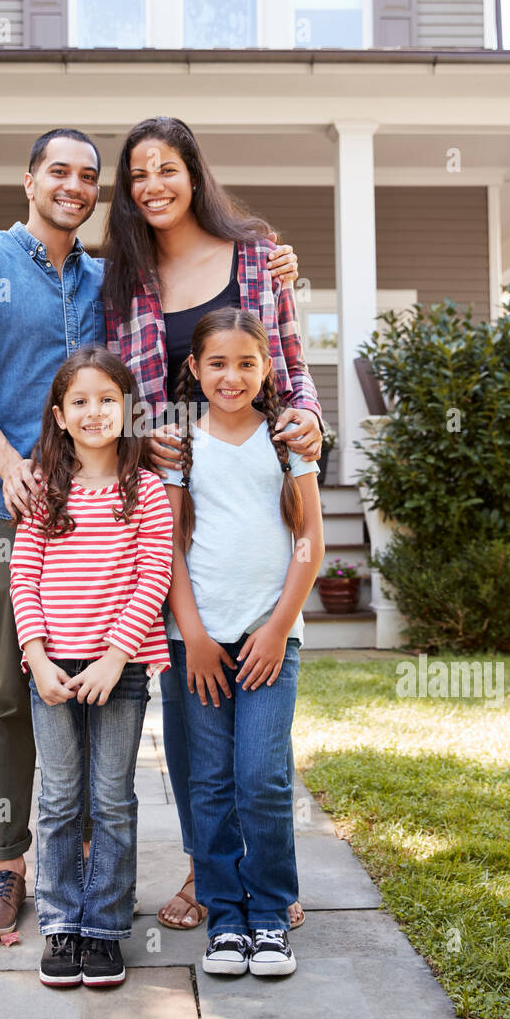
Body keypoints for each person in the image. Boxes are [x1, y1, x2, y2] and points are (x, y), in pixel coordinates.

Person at [0, 126, 301, 937]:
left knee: (112, 673)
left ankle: (96, 856)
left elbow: (176, 364)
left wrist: (276, 264)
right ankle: (10, 864)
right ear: (28, 178)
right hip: (9, 503)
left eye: (87, 175)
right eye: (57, 170)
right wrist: (12, 463)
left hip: (113, 511)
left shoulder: (114, 274)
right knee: (13, 685)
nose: (73, 183)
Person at [101, 116, 324, 932]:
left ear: (193, 172)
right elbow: (117, 395)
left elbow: (293, 369)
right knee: (192, 712)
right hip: (172, 506)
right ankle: (207, 871)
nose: (153, 186)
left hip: (255, 499)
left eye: (167, 168)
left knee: (259, 745)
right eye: (137, 175)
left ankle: (268, 880)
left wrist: (308, 425)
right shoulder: (123, 278)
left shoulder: (259, 253)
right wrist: (138, 433)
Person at [162, 308, 325, 977]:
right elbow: (167, 549)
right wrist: (194, 634)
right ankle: (226, 918)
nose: (232, 376)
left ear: (266, 371)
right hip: (195, 645)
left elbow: (310, 542)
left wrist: (279, 626)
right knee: (208, 783)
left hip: (268, 642)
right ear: (194, 369)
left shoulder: (288, 443)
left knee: (262, 776)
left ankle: (269, 913)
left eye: (247, 363)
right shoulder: (179, 446)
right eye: (218, 364)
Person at [10, 347, 173, 989]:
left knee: (110, 798)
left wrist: (115, 657)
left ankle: (103, 929)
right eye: (80, 401)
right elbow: (24, 575)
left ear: (127, 408)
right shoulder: (45, 490)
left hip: (119, 669)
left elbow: (152, 576)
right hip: (51, 666)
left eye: (107, 399)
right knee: (57, 799)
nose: (95, 411)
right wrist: (36, 657)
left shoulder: (147, 491)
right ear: (60, 415)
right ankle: (60, 924)